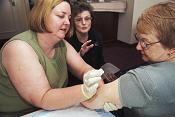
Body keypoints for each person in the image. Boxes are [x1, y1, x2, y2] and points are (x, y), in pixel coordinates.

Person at [0, 0, 104, 115]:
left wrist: (94, 78)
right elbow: (43, 98)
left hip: (52, 108)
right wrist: (84, 90)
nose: (68, 22)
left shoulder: (62, 44)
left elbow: (83, 68)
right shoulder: (19, 48)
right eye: (61, 16)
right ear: (42, 15)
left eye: (69, 18)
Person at [82, 1, 175, 117]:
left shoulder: (142, 80)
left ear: (172, 48)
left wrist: (86, 90)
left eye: (146, 43)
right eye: (138, 39)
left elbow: (90, 101)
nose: (137, 46)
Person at [67, 0, 105, 86]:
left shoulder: (97, 36)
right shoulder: (68, 41)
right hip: (76, 80)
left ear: (91, 20)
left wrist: (105, 73)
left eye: (87, 18)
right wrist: (79, 54)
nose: (84, 23)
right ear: (73, 22)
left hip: (95, 77)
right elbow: (66, 69)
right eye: (79, 19)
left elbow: (100, 60)